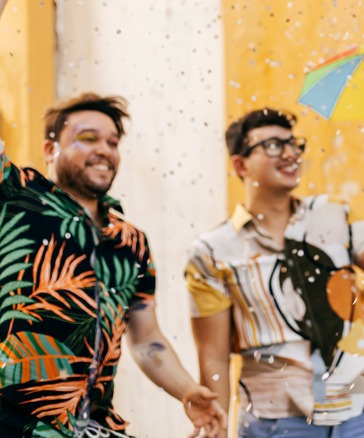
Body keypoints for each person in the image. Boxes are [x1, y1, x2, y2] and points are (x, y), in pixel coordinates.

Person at [0, 92, 227, 436]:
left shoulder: (131, 241)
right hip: (15, 423)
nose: (104, 150)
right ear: (50, 150)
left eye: (113, 142)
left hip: (93, 425)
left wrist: (187, 391)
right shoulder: (15, 197)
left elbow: (147, 338)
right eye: (87, 138)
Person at [186, 108, 364, 437]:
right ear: (240, 164)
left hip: (363, 415)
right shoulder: (213, 250)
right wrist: (216, 427)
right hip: (277, 423)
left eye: (294, 144)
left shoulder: (330, 215)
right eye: (273, 145)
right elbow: (213, 354)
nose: (291, 153)